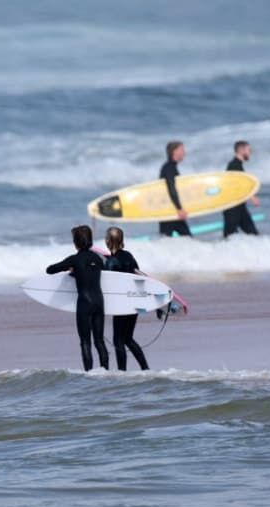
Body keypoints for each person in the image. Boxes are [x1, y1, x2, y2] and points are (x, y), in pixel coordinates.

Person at [46, 225, 110, 371]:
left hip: (85, 304)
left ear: (75, 243)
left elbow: (50, 270)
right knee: (99, 341)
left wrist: (68, 268)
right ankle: (106, 372)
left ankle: (89, 374)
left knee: (85, 342)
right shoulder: (98, 259)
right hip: (99, 302)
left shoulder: (74, 259)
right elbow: (94, 273)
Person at [104, 227, 149, 371]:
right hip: (134, 301)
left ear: (108, 241)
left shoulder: (111, 261)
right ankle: (145, 368)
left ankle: (122, 372)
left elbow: (107, 282)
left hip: (122, 303)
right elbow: (138, 276)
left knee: (118, 340)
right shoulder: (128, 256)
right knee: (128, 338)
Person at [223, 140, 261, 237]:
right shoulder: (234, 165)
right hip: (232, 207)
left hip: (239, 206)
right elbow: (237, 185)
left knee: (254, 235)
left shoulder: (237, 165)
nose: (250, 152)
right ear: (240, 150)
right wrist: (252, 197)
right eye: (249, 150)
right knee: (229, 237)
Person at [158, 141, 192, 237]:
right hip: (168, 212)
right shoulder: (169, 168)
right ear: (175, 152)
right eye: (182, 149)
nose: (184, 152)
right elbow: (171, 188)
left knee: (187, 238)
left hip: (170, 210)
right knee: (166, 239)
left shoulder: (170, 167)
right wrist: (179, 208)